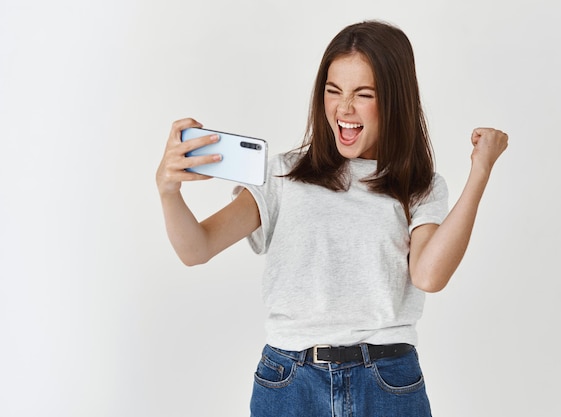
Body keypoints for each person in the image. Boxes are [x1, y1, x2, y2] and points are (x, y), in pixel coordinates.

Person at [156, 20, 508, 417]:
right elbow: (196, 248)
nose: (343, 109)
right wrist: (168, 192)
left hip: (387, 381)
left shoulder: (418, 186)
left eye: (364, 94)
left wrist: (480, 172)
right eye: (333, 90)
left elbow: (429, 276)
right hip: (290, 382)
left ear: (395, 100)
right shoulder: (283, 175)